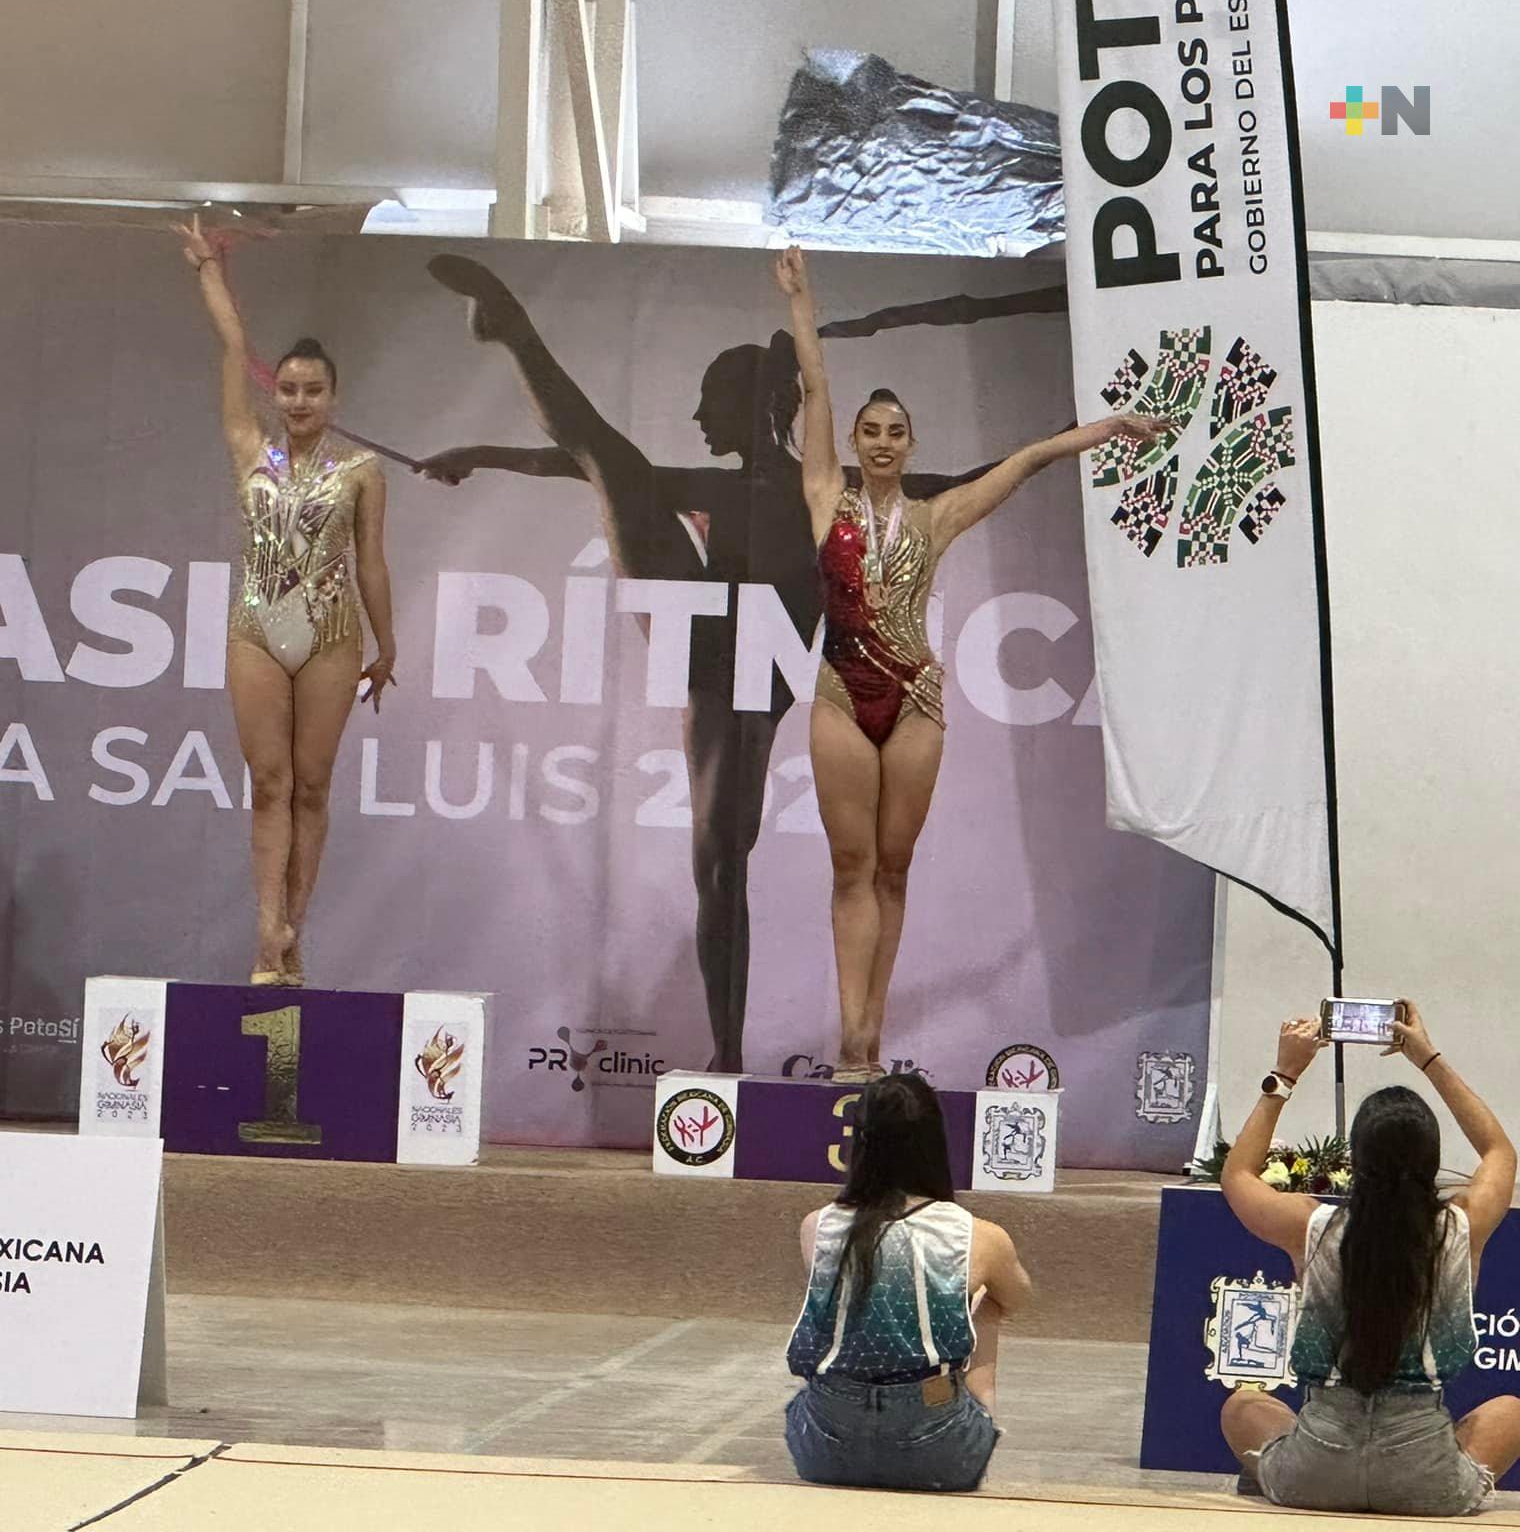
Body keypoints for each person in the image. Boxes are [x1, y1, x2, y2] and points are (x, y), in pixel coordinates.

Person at [420, 255, 991, 1074]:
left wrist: (1068, 445)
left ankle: (729, 1058)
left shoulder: (831, 492)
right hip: (712, 649)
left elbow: (960, 484)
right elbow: (583, 462)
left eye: (709, 399)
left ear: (754, 402)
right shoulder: (735, 488)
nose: (694, 414)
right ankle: (511, 325)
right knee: (612, 464)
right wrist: (479, 451)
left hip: (752, 673)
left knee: (723, 860)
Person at [775, 246, 1172, 1078]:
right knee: (849, 866)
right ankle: (849, 1040)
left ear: (913, 445)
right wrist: (803, 302)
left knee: (893, 867)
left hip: (917, 700)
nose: (881, 443)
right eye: (869, 431)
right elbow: (815, 385)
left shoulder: (937, 515)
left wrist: (1099, 432)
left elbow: (1022, 463)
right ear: (852, 440)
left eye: (895, 433)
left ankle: (874, 1036)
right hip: (842, 695)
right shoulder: (823, 496)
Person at [174, 215, 397, 986]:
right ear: (280, 396)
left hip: (333, 637)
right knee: (268, 782)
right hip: (257, 627)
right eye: (291, 389)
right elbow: (234, 349)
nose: (300, 401)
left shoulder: (362, 471)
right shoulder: (250, 452)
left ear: (335, 398)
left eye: (314, 391)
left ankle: (295, 932)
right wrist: (210, 273)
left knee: (311, 785)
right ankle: (266, 930)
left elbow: (371, 560)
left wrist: (387, 644)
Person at [1219, 1004, 1520, 1515]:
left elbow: (1238, 1177)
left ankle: (1303, 1474)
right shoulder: (1461, 1228)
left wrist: (1285, 1074)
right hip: (1428, 1483)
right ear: (1432, 1162)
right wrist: (1428, 1059)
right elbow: (1498, 1151)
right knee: (1512, 1410)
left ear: (1354, 1162)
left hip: (1313, 1472)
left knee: (1242, 1406)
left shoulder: (1312, 1228)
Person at [785, 1072, 1032, 1490]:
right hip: (939, 1453)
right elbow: (1019, 1298)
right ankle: (982, 1408)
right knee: (987, 1303)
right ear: (935, 1143)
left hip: (825, 1450)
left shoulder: (817, 1227)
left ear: (858, 1144)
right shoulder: (980, 1236)